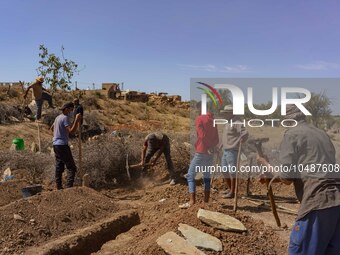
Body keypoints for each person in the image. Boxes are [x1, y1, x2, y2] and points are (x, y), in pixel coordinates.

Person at [257, 105, 340, 255]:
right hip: (336, 202)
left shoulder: (292, 134)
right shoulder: (321, 134)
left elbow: (287, 178)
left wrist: (265, 163)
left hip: (317, 202)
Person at [180, 102, 219, 208]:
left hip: (202, 151)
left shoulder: (200, 119)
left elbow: (202, 136)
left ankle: (192, 201)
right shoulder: (213, 120)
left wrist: (207, 146)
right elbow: (217, 139)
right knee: (207, 176)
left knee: (190, 175)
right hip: (210, 152)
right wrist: (211, 147)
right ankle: (206, 202)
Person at [51, 102, 82, 190]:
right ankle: (69, 188)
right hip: (62, 145)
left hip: (55, 145)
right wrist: (76, 120)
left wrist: (58, 134)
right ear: (67, 109)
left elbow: (51, 128)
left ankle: (59, 187)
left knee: (59, 166)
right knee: (71, 167)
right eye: (71, 110)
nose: (72, 112)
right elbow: (71, 131)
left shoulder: (57, 117)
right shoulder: (65, 118)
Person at [219, 105, 248, 198]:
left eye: (226, 113)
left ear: (231, 113)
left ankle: (233, 192)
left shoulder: (237, 121)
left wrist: (242, 140)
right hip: (226, 150)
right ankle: (230, 189)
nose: (224, 115)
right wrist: (222, 144)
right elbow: (227, 136)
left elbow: (245, 133)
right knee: (224, 170)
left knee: (232, 172)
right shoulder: (228, 122)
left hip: (233, 150)